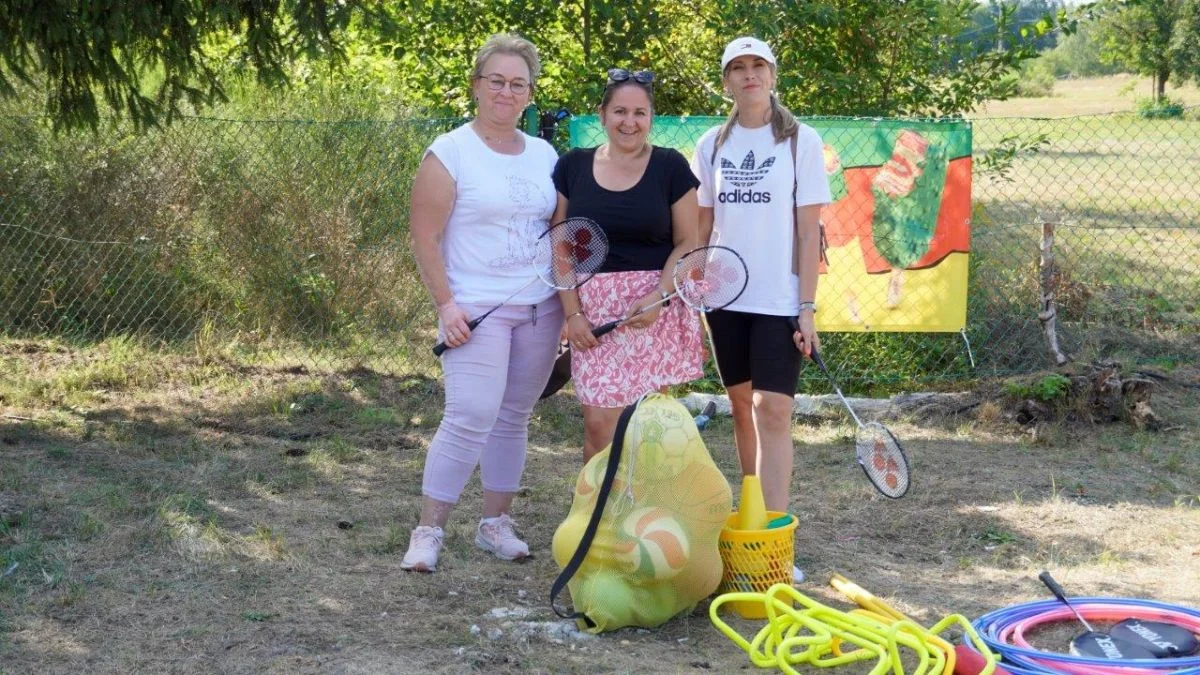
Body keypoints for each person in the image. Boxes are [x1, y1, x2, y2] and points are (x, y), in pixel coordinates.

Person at [401, 34, 563, 572]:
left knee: (513, 417)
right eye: (496, 80)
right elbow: (424, 237)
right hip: (476, 311)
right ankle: (428, 531)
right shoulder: (449, 152)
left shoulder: (545, 155)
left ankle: (495, 525)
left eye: (518, 83)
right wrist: (447, 306)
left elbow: (559, 232)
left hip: (541, 309)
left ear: (529, 94)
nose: (506, 91)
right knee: (470, 414)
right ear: (476, 85)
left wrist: (568, 304)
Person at [691, 37, 832, 521]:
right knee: (740, 407)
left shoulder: (800, 140)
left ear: (772, 75)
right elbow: (702, 226)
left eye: (758, 65)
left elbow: (809, 233)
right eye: (738, 67)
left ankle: (774, 533)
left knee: (772, 409)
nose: (749, 74)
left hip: (780, 299)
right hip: (725, 298)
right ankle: (750, 516)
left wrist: (807, 307)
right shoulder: (710, 144)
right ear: (727, 81)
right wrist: (689, 279)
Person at [552, 68, 703, 462]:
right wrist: (573, 315)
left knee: (646, 425)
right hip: (592, 313)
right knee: (599, 424)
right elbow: (561, 246)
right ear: (602, 114)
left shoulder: (670, 166)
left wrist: (659, 297)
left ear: (651, 118)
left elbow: (689, 241)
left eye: (640, 113)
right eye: (620, 111)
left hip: (651, 310)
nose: (629, 122)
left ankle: (642, 518)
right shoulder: (573, 166)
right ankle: (599, 519)